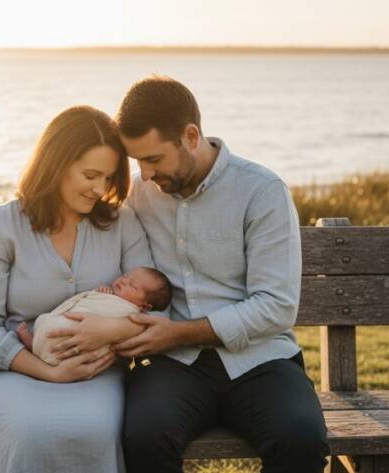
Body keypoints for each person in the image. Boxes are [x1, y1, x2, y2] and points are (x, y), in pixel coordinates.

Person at [61, 76, 331, 473]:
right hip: (175, 365)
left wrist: (179, 332)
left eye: (154, 159)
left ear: (190, 136)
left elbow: (277, 308)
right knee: (144, 437)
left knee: (301, 440)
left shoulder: (262, 191)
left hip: (259, 358)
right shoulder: (139, 194)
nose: (146, 174)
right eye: (138, 161)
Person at [0, 105, 154, 473]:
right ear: (55, 163)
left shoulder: (123, 224)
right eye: (90, 175)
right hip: (9, 373)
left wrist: (112, 330)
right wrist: (48, 371)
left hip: (96, 373)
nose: (100, 189)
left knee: (90, 430)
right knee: (29, 433)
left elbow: (155, 308)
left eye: (108, 178)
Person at [17, 266, 172, 365]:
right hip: (72, 319)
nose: (124, 281)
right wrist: (101, 294)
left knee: (65, 335)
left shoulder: (131, 313)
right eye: (126, 276)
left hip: (89, 337)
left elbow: (124, 329)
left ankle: (37, 347)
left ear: (144, 306)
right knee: (47, 322)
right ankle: (37, 343)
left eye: (133, 285)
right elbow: (93, 301)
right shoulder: (111, 295)